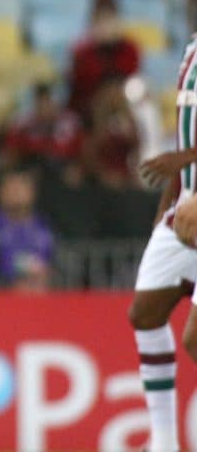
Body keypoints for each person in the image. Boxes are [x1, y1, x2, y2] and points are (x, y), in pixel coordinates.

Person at [125, 33, 197, 452]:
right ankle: (164, 442)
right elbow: (185, 141)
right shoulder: (191, 50)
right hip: (183, 211)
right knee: (145, 313)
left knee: (195, 340)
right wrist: (166, 207)